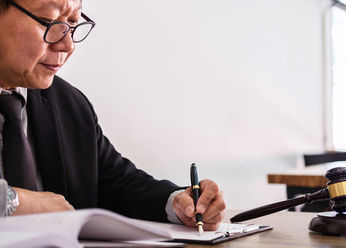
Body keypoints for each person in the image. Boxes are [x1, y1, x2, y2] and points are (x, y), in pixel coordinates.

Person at [0, 0, 225, 230]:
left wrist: (179, 204)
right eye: (48, 21)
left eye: (72, 23)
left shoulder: (70, 105)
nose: (67, 45)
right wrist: (11, 202)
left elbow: (117, 184)